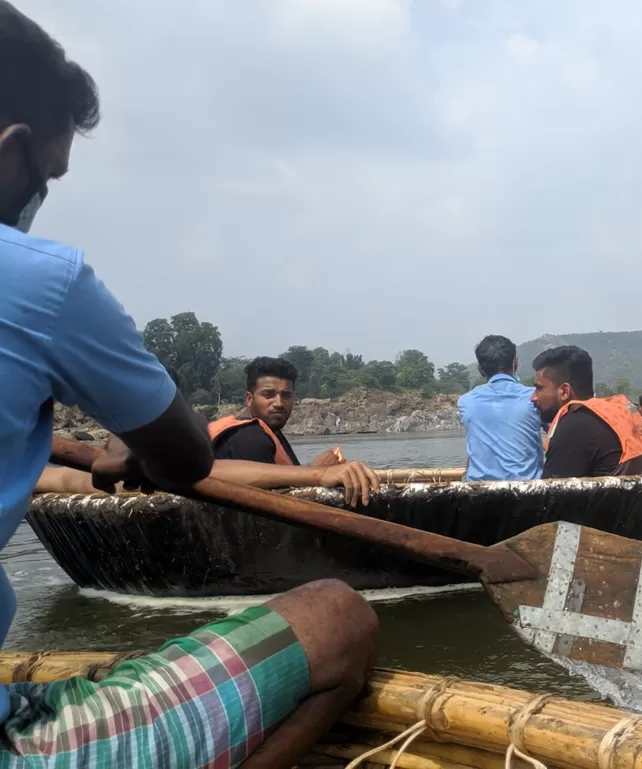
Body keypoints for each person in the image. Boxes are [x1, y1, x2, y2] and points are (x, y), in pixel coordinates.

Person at [0, 7, 376, 767]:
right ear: (13, 153)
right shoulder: (41, 281)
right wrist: (122, 451)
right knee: (341, 614)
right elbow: (181, 461)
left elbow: (52, 467)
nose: (278, 403)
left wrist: (98, 460)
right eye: (46, 178)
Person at [39, 367, 382, 506]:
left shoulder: (129, 467)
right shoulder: (245, 440)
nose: (278, 403)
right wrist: (319, 474)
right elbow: (204, 471)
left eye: (286, 395)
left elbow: (200, 471)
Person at [532, 346, 642, 478]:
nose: (533, 397)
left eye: (539, 388)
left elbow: (548, 496)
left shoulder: (575, 424)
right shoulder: (624, 410)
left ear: (564, 391)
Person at [209, 356, 344, 467]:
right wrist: (317, 471)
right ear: (249, 399)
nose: (279, 403)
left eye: (286, 395)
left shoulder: (272, 434)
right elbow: (267, 497)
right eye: (268, 394)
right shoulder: (250, 438)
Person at [456, 335, 544, 481]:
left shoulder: (466, 401)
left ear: (480, 369)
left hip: (478, 493)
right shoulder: (534, 398)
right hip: (528, 493)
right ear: (515, 363)